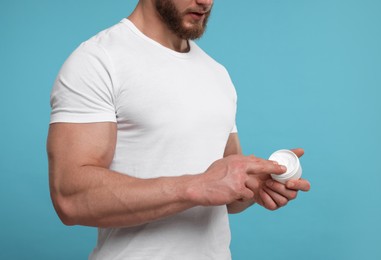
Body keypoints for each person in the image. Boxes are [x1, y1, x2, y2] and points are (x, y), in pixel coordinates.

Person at [47, 0, 311, 259]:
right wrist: (194, 187)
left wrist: (254, 188)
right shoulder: (99, 60)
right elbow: (70, 197)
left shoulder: (216, 73)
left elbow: (226, 194)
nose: (205, 2)